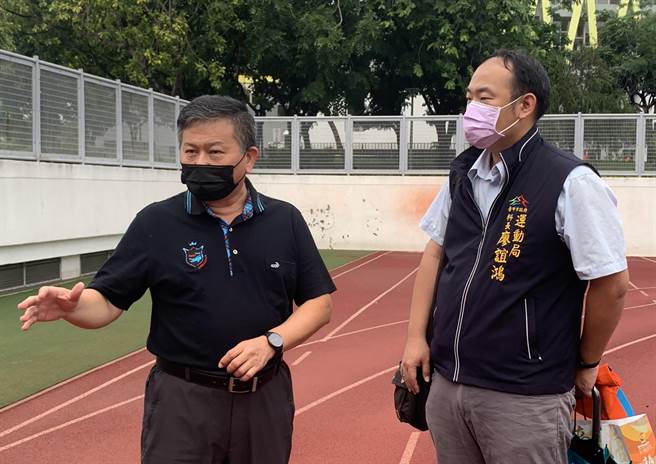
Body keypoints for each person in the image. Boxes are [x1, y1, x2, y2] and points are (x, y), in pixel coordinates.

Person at [18, 95, 336, 464]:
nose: (200, 162)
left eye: (215, 153)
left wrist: (271, 342)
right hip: (181, 404)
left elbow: (319, 303)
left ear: (248, 157)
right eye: (191, 151)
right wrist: (72, 307)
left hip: (263, 400)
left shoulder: (285, 221)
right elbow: (106, 302)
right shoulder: (157, 223)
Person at [400, 49, 629, 464]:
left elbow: (611, 283)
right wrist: (416, 338)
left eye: (484, 98)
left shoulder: (570, 181)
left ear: (525, 105)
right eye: (469, 98)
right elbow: (435, 254)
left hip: (525, 396)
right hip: (449, 383)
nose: (471, 109)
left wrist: (587, 361)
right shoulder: (463, 173)